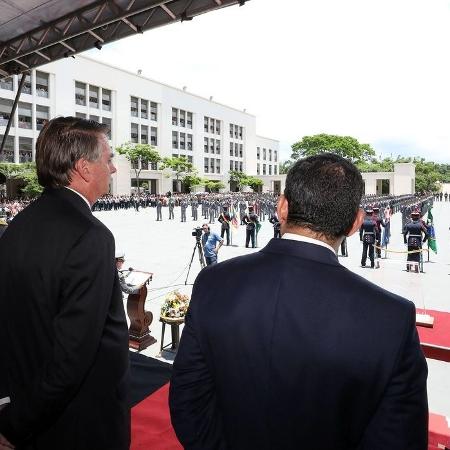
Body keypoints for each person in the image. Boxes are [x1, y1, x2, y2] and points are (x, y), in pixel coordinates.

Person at [169, 153, 428, 450]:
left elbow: (189, 401)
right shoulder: (391, 317)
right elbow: (398, 438)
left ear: (282, 207)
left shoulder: (214, 282)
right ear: (356, 223)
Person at [0, 117, 130, 450]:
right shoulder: (91, 236)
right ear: (85, 168)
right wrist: (14, 427)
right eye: (108, 159)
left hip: (28, 400)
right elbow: (72, 357)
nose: (113, 169)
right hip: (77, 423)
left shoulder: (19, 225)